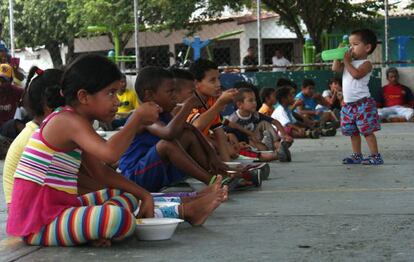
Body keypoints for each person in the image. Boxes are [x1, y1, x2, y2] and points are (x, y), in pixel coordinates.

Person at [6, 54, 170, 247]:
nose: (116, 101)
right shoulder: (66, 121)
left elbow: (100, 172)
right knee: (119, 218)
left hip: (58, 208)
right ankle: (95, 227)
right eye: (110, 93)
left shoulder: (78, 123)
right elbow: (110, 154)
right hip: (38, 222)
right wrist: (136, 118)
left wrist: (144, 194)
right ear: (83, 96)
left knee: (127, 196)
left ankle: (92, 229)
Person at [119, 66, 228, 192]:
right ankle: (210, 180)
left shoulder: (165, 113)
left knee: (187, 134)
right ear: (149, 95)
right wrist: (188, 105)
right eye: (170, 92)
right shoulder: (144, 115)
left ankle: (217, 174)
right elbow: (168, 134)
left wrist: (213, 156)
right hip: (134, 177)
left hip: (151, 171)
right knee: (166, 145)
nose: (175, 97)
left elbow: (190, 129)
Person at [332, 29, 383, 165]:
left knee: (367, 131)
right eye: (349, 45)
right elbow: (335, 68)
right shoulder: (348, 61)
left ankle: (375, 156)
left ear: (367, 47)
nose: (350, 48)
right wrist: (339, 55)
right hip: (348, 105)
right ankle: (357, 155)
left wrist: (347, 62)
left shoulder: (366, 64)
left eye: (354, 44)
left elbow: (356, 74)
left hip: (363, 104)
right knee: (352, 131)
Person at [188, 59, 238, 162]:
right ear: (196, 83)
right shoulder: (189, 100)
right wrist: (220, 103)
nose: (218, 84)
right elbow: (195, 126)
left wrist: (228, 165)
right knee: (210, 147)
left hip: (201, 141)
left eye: (218, 79)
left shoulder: (211, 99)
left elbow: (218, 132)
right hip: (186, 146)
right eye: (212, 80)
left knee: (229, 152)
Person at [226, 88, 294, 162]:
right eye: (250, 100)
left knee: (264, 123)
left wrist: (285, 136)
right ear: (240, 105)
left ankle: (278, 145)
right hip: (245, 143)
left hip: (255, 138)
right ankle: (278, 152)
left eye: (255, 100)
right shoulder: (233, 119)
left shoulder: (255, 115)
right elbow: (231, 136)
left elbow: (275, 122)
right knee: (263, 150)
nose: (255, 103)